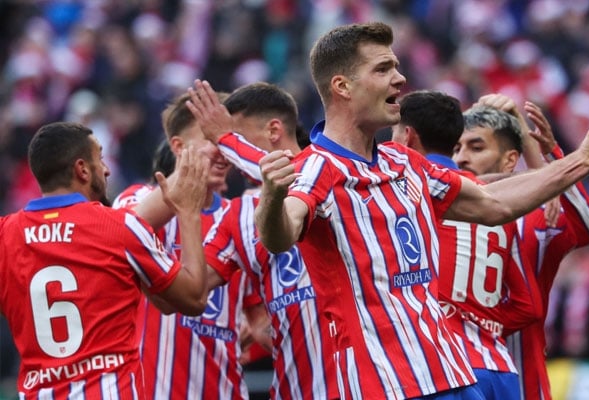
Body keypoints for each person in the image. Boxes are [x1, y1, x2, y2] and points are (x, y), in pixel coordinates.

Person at [193, 22, 589, 399]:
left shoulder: (404, 162)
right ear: (342, 87)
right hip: (383, 384)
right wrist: (270, 195)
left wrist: (580, 160)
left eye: (396, 66)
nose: (399, 78)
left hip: (451, 374)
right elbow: (281, 232)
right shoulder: (317, 170)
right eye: (383, 69)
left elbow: (494, 204)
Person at [0, 121, 209, 398]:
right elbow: (193, 298)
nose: (107, 169)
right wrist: (189, 212)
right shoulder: (120, 227)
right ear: (82, 170)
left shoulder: (5, 236)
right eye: (100, 158)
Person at [113, 93, 270, 400]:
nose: (224, 149)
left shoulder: (242, 217)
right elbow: (120, 233)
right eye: (212, 138)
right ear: (178, 147)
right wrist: (185, 187)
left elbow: (259, 319)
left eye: (228, 138)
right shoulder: (136, 199)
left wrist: (257, 329)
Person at [187, 81, 338, 399]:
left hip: (362, 384)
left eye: (235, 139)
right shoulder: (239, 214)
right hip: (293, 387)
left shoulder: (330, 169)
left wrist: (225, 138)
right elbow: (192, 288)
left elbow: (295, 176)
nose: (226, 156)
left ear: (274, 131)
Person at [391, 90, 541, 400]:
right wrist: (481, 321)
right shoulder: (497, 207)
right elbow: (529, 306)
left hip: (443, 366)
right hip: (500, 369)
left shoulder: (405, 193)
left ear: (407, 136)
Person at [454, 95, 589, 400]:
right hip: (452, 378)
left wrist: (545, 154)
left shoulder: (536, 219)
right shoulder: (436, 210)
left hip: (521, 383)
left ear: (510, 160)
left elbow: (588, 226)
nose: (461, 158)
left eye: (476, 147)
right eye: (456, 148)